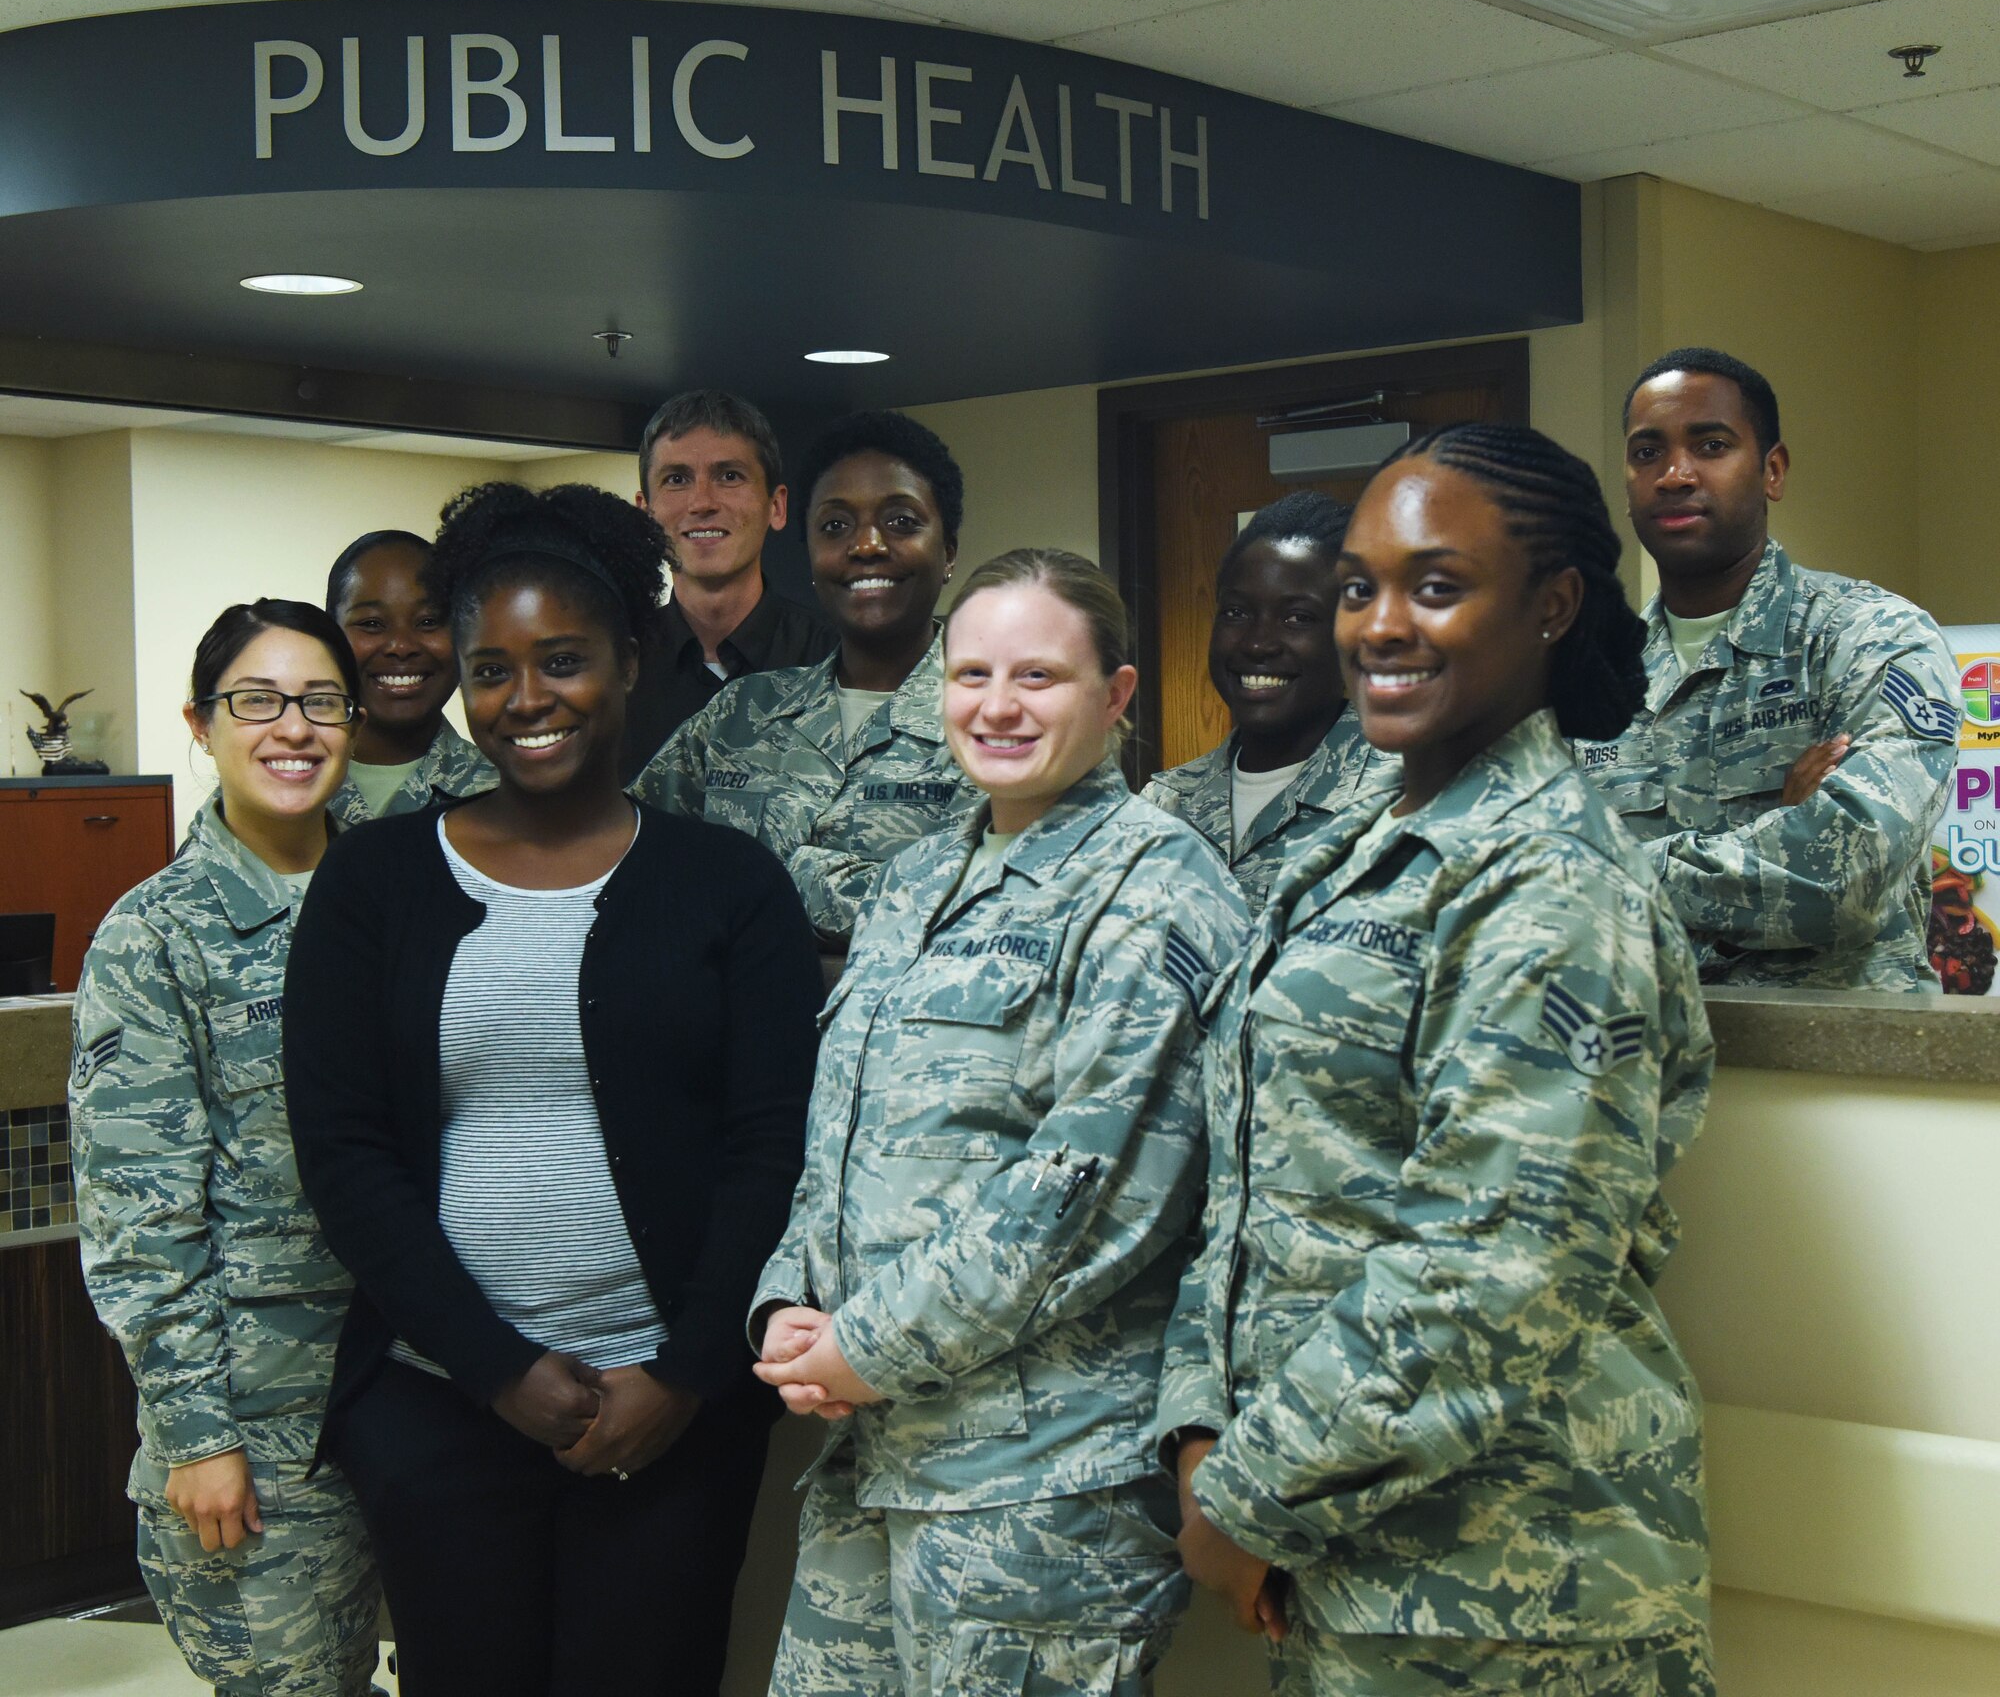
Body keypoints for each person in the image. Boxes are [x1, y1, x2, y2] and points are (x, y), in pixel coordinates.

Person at [1162, 426, 1716, 1697]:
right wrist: (1199, 1427)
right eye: (1358, 587)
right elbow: (1252, 1171)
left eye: (1435, 584)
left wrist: (1243, 1494)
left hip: (1513, 1590)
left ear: (1552, 605)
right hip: (1343, 1555)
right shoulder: (1367, 831)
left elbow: (1493, 1261)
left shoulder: (1549, 877)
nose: (1378, 625)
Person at [284, 482, 822, 1697]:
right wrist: (495, 1368)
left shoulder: (724, 883)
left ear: (631, 661)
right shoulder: (375, 882)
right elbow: (345, 1150)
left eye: (564, 659)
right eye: (492, 669)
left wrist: (684, 1372)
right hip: (442, 1408)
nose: (526, 699)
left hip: (671, 1414)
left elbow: (766, 1142)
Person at [753, 548, 1249, 1697]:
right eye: (970, 672)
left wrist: (861, 1347)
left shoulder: (1154, 891)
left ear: (1116, 697)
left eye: (1038, 675)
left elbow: (1082, 1199)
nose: (997, 705)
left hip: (1036, 1483)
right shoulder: (914, 879)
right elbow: (843, 1130)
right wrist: (788, 1300)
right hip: (874, 1454)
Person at [70, 599, 381, 1697]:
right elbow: (140, 1223)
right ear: (201, 724)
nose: (291, 727)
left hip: (424, 1398)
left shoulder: (403, 893)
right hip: (262, 1424)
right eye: (256, 701)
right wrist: (197, 1435)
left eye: (320, 701)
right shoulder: (154, 935)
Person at [1580, 346, 1956, 990]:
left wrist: (1595, 876)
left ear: (1772, 471)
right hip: (1637, 1064)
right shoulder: (1586, 676)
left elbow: (1845, 874)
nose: (1674, 474)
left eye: (1712, 445)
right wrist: (1775, 833)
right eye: (1647, 453)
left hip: (1831, 1068)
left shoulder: (1871, 635)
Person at [632, 410, 980, 951]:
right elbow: (631, 857)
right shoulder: (740, 713)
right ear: (812, 554)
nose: (866, 545)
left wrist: (754, 883)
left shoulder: (998, 723)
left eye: (902, 522)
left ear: (949, 550)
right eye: (835, 526)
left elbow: (981, 917)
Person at [1142, 490, 1394, 912]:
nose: (1258, 643)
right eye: (1237, 613)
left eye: (1298, 618)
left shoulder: (1402, 798)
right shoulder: (1163, 804)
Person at [621, 388, 839, 779]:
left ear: (776, 507)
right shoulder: (613, 668)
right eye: (676, 479)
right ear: (645, 513)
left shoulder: (837, 661)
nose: (702, 502)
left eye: (729, 476)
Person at [324, 529, 496, 825]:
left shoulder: (505, 799)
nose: (401, 646)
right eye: (372, 623)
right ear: (330, 636)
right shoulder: (281, 780)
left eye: (429, 621)